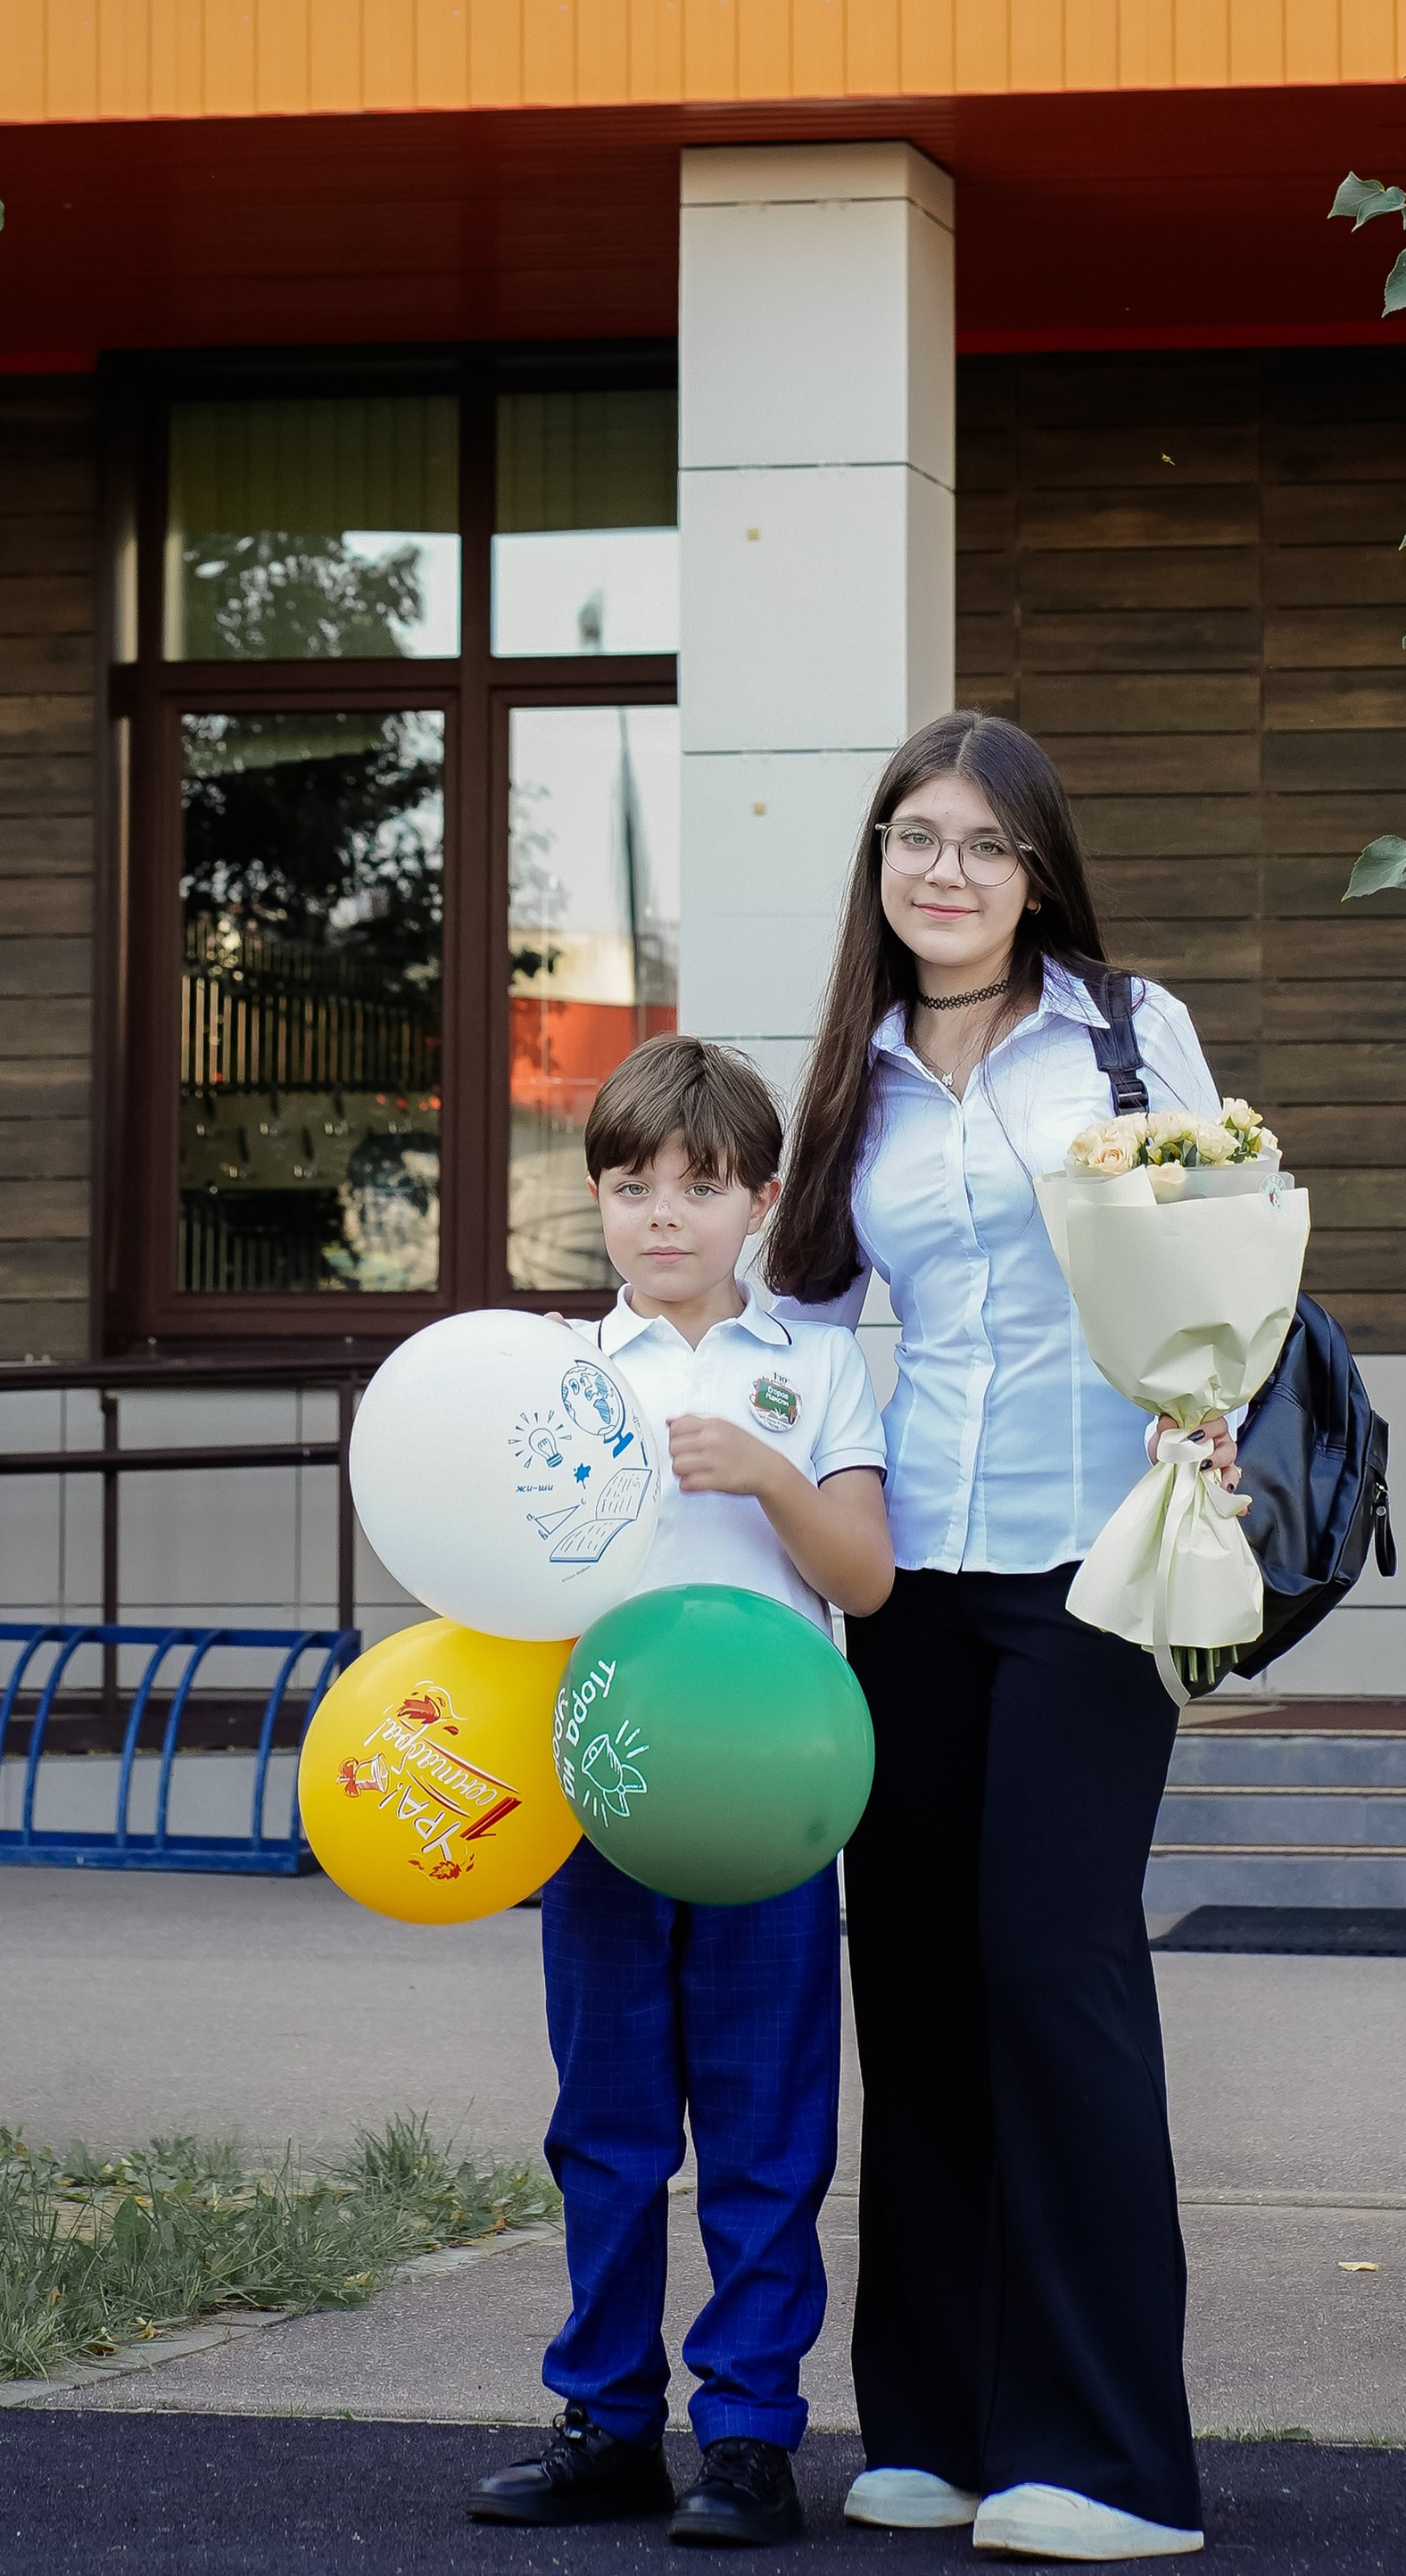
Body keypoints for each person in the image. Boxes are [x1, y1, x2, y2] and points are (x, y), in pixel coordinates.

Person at [765, 710, 1237, 2565]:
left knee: (1052, 1974)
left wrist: (1203, 1402)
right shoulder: (852, 1076)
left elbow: (1219, 1252)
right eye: (911, 838)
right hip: (910, 1586)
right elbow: (806, 1317)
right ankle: (942, 2430)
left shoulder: (1123, 1031)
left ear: (1034, 869)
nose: (941, 873)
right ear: (878, 863)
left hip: (1090, 1568)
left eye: (979, 844)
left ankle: (1110, 2458)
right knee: (923, 1990)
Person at [472, 1036, 894, 2549]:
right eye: (634, 1186)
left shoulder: (816, 1366)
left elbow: (868, 1577)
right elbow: (502, 1593)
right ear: (595, 1197)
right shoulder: (558, 1376)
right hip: (599, 1798)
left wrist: (769, 1476)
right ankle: (604, 2421)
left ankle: (751, 2439)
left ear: (761, 1202)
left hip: (772, 1806)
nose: (665, 1217)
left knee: (769, 2126)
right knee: (608, 2122)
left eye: (702, 1189)